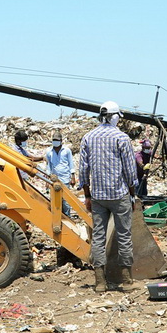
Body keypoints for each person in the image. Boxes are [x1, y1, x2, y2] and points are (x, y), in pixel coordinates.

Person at [79, 101, 139, 293]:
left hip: (97, 196)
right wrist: (133, 195)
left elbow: (83, 170)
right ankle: (127, 280)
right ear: (114, 117)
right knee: (124, 235)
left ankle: (100, 282)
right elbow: (130, 172)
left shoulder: (88, 138)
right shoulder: (122, 138)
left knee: (98, 237)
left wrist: (87, 195)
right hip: (119, 195)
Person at [45, 130, 76, 217]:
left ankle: (67, 218)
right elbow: (48, 166)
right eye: (54, 140)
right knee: (55, 201)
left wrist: (72, 176)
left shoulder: (66, 151)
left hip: (65, 178)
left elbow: (71, 163)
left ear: (61, 140)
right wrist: (47, 179)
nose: (55, 141)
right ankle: (56, 217)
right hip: (54, 179)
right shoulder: (49, 151)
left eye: (57, 140)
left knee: (66, 201)